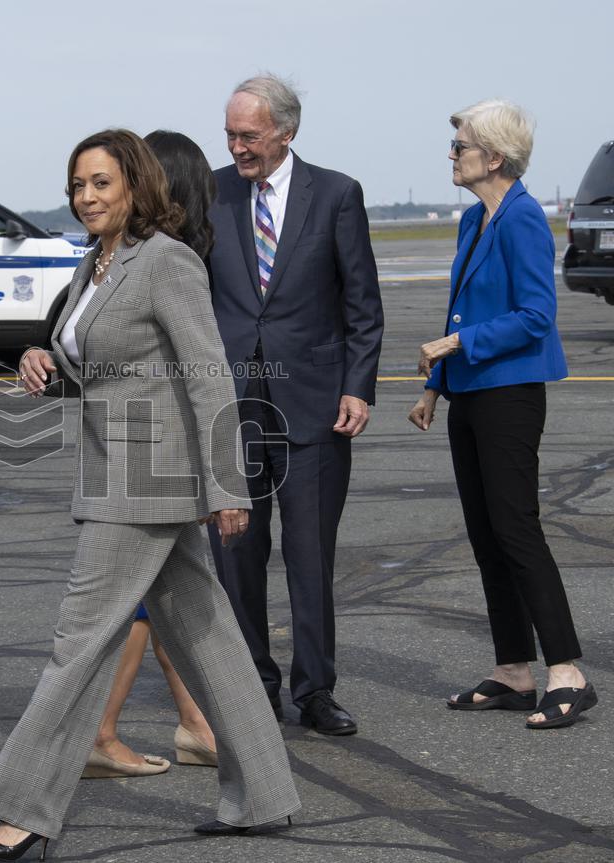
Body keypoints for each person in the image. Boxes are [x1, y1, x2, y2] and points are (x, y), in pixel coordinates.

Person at [0, 129, 300, 861]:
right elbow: (105, 367)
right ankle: (264, 796)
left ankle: (23, 811)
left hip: (146, 481)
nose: (86, 197)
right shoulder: (95, 263)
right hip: (116, 470)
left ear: (136, 186)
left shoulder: (166, 261)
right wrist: (42, 357)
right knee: (209, 639)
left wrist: (228, 485)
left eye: (101, 183)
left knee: (77, 644)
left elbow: (207, 374)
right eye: (77, 185)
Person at [408, 99, 597, 730]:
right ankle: (514, 670)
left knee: (516, 529)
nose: (451, 155)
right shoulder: (474, 219)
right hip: (468, 392)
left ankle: (567, 671)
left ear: (493, 157)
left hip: (511, 394)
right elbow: (461, 307)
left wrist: (458, 345)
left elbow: (536, 316)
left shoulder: (523, 219)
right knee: (485, 533)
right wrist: (435, 386)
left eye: (459, 146)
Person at [206, 73, 384, 735]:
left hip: (314, 406)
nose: (236, 147)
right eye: (230, 134)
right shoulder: (209, 193)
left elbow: (362, 304)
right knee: (236, 558)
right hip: (230, 408)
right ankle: (253, 685)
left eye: (248, 135)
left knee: (310, 559)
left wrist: (358, 386)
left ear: (285, 131)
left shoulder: (336, 194)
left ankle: (315, 690)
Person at [83, 130, 219, 780]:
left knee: (170, 605)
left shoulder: (151, 258)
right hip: (153, 459)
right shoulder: (158, 259)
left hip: (147, 456)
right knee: (136, 608)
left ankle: (196, 724)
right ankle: (101, 731)